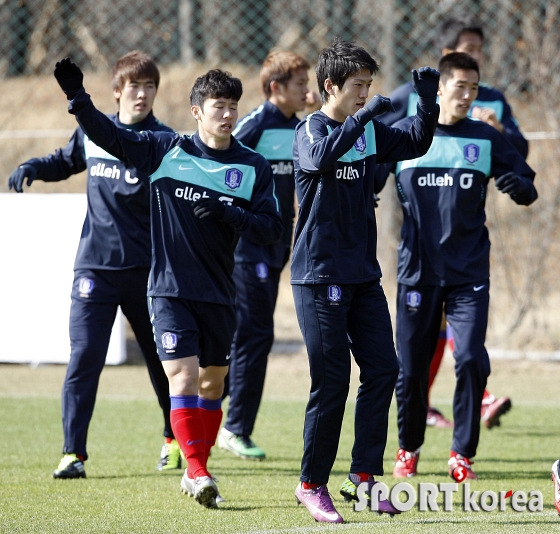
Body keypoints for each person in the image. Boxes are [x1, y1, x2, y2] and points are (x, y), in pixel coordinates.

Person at [53, 58, 283, 507]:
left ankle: (199, 461)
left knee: (214, 386)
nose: (228, 114)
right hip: (168, 289)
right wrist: (79, 101)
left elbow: (272, 228)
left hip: (219, 292)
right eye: (218, 106)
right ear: (197, 111)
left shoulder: (251, 166)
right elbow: (111, 136)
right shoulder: (166, 150)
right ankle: (196, 470)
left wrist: (229, 212)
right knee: (184, 377)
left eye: (233, 106)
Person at [8, 51, 181, 478]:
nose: (142, 94)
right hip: (96, 269)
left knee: (164, 361)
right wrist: (33, 166)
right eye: (134, 86)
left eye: (149, 87)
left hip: (148, 272)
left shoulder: (164, 141)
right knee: (85, 356)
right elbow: (65, 162)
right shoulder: (91, 131)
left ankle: (173, 438)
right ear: (117, 92)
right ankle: (73, 454)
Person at [291, 37, 440, 523]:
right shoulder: (308, 129)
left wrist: (427, 101)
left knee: (383, 371)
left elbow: (416, 140)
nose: (365, 94)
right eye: (358, 86)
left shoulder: (370, 134)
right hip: (319, 277)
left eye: (369, 87)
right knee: (331, 381)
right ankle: (311, 484)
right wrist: (362, 118)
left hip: (362, 276)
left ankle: (364, 478)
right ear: (330, 85)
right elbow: (320, 160)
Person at [374, 52, 537, 480]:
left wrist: (517, 184)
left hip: (469, 274)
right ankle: (408, 448)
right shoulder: (408, 136)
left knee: (469, 359)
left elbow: (527, 184)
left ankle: (461, 453)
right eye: (459, 86)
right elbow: (369, 177)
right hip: (417, 272)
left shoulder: (484, 138)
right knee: (409, 370)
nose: (466, 95)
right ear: (440, 89)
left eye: (473, 88)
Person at [218, 50, 319, 461]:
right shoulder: (255, 125)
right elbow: (220, 160)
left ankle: (210, 414)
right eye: (300, 85)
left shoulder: (300, 128)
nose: (307, 92)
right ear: (276, 88)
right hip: (248, 247)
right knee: (255, 335)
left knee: (243, 335)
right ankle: (233, 427)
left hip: (278, 243)